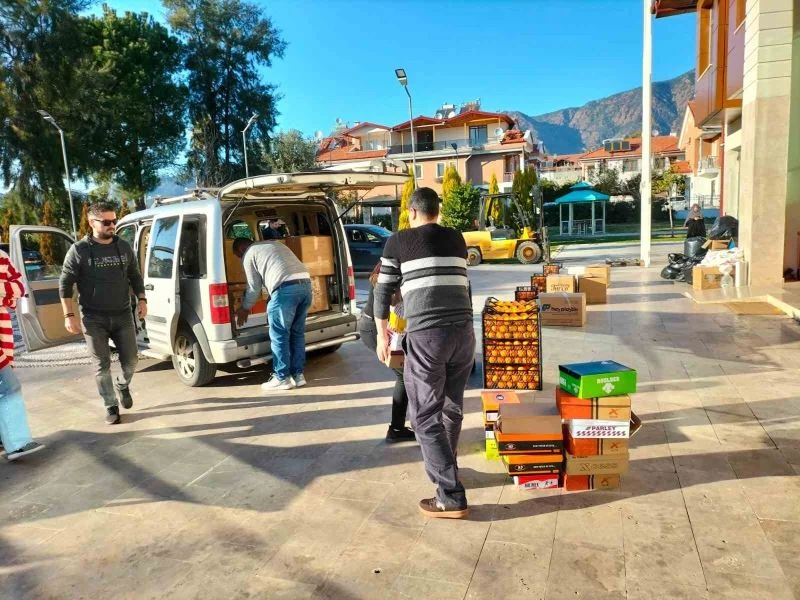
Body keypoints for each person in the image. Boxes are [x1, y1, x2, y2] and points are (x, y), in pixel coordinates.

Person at [374, 187, 475, 519]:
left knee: (424, 417)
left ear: (412, 211)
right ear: (437, 210)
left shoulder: (398, 241)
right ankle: (448, 467)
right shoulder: (456, 238)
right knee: (451, 408)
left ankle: (450, 495)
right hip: (464, 333)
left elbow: (383, 291)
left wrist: (382, 337)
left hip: (428, 335)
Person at [59, 202, 147, 425]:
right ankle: (110, 404)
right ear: (92, 222)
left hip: (123, 314)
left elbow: (135, 275)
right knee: (101, 366)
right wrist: (69, 316)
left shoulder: (123, 247)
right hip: (93, 318)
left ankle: (122, 384)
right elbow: (65, 284)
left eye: (114, 221)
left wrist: (142, 299)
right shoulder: (79, 250)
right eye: (106, 222)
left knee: (132, 361)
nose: (112, 225)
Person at [233, 238, 312, 391]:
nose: (240, 259)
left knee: (279, 335)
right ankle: (298, 375)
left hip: (285, 290)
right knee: (297, 333)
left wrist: (245, 308)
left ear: (241, 249)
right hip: (306, 286)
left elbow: (254, 288)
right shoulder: (274, 244)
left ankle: (281, 378)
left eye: (238, 256)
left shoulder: (249, 253)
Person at [358, 263, 414, 443]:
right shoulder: (390, 273)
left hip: (376, 326)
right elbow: (392, 303)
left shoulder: (388, 267)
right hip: (374, 329)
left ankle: (399, 427)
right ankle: (396, 429)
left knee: (406, 376)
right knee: (404, 377)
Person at [0, 249, 45, 460]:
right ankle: (17, 443)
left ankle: (10, 439)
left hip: (3, 336)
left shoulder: (1, 257)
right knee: (9, 386)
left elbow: (19, 286)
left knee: (6, 386)